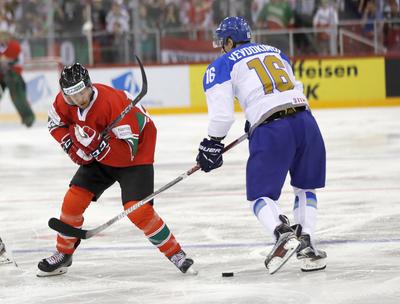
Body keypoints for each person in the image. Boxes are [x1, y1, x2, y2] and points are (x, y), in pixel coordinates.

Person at [196, 16, 327, 274]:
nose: (221, 47)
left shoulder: (222, 63)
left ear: (230, 41)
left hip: (273, 129)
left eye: (223, 42)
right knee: (305, 187)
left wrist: (212, 143)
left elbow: (222, 116)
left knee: (260, 196)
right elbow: (278, 89)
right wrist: (253, 119)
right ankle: (307, 246)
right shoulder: (277, 52)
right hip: (306, 122)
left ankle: (282, 233)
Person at [37, 63, 194, 277]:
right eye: (71, 97)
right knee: (73, 200)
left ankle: (176, 253)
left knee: (139, 211)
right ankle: (64, 253)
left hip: (135, 155)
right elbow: (55, 125)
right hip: (101, 151)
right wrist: (71, 145)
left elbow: (129, 150)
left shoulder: (113, 102)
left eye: (81, 94)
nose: (77, 101)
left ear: (89, 86)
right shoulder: (64, 102)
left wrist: (97, 148)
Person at [0, 25, 35, 127]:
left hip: (12, 75)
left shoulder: (14, 47)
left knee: (18, 97)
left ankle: (28, 118)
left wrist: (9, 63)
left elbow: (21, 61)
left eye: (5, 36)